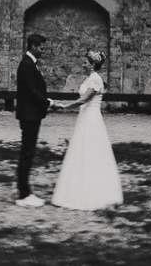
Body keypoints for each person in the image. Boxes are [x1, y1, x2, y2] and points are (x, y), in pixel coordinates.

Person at [49, 50, 124, 210]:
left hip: (92, 119)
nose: (83, 65)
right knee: (81, 151)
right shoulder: (90, 78)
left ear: (92, 65)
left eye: (85, 63)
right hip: (84, 118)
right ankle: (79, 185)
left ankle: (95, 192)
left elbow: (84, 99)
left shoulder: (96, 80)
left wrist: (64, 106)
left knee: (92, 152)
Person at [14, 32, 50, 207]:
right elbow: (32, 92)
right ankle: (23, 194)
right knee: (27, 153)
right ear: (34, 47)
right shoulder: (27, 65)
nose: (43, 51)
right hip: (29, 115)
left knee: (28, 152)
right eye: (41, 48)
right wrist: (47, 103)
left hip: (32, 114)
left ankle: (25, 190)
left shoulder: (31, 64)